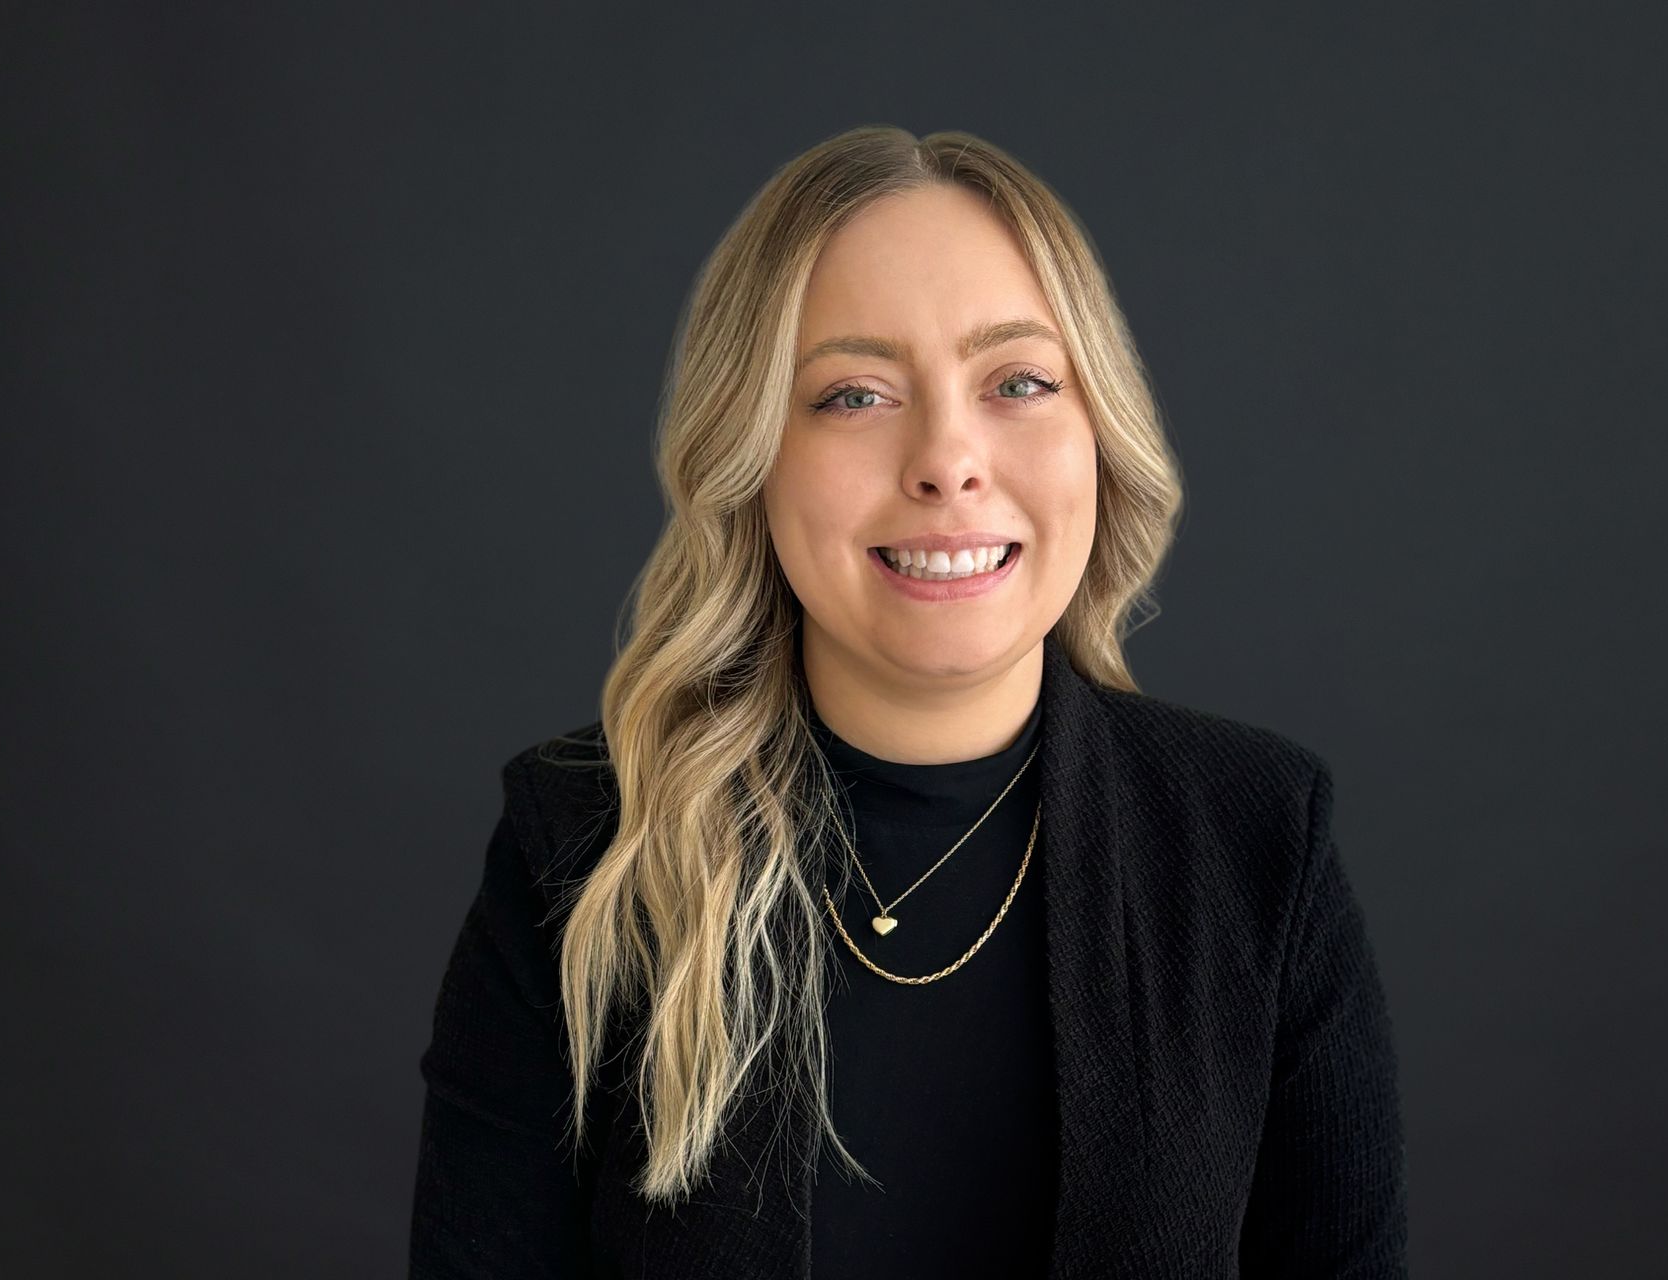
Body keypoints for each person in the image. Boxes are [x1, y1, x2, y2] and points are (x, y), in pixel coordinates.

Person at [408, 125, 1407, 1279]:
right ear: (751, 454)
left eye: (1019, 382)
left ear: (1100, 432)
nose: (946, 459)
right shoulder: (582, 850)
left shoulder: (1258, 840)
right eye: (855, 394)